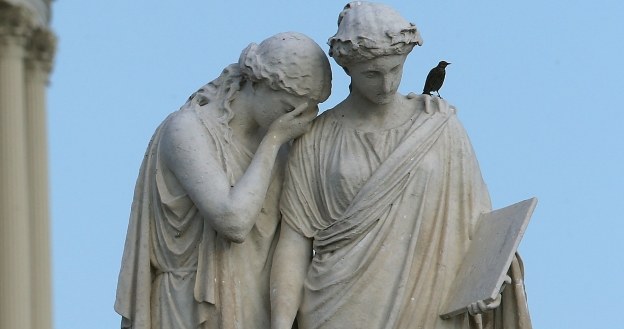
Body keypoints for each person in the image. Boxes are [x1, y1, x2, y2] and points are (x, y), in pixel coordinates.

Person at [270, 2, 531, 329]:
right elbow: (294, 242)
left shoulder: (439, 125)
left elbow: (480, 226)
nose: (387, 84)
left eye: (396, 69)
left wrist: (485, 286)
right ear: (347, 69)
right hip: (338, 306)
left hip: (430, 300)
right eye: (372, 74)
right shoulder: (315, 139)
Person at [114, 32, 332, 329]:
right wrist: (274, 140)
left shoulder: (283, 148)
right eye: (289, 107)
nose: (299, 119)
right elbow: (233, 221)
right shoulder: (187, 130)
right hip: (190, 304)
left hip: (258, 304)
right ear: (258, 83)